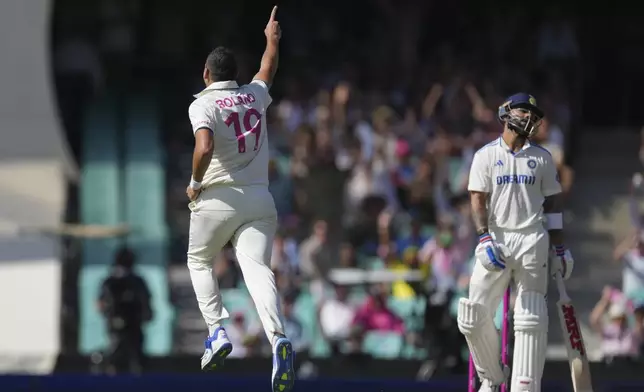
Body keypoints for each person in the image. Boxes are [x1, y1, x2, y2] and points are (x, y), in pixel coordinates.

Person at [184, 6, 294, 392]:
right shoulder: (253, 95)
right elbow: (268, 68)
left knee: (198, 260)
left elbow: (204, 146)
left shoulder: (203, 103)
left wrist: (195, 182)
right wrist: (272, 40)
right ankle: (279, 338)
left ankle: (216, 331)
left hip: (218, 198)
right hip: (260, 201)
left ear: (206, 73)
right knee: (258, 271)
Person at [456, 93, 574, 392]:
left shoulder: (542, 158)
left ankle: (525, 386)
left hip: (532, 238)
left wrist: (560, 248)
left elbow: (553, 205)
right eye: (524, 111)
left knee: (530, 316)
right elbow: (477, 199)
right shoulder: (485, 155)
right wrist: (483, 238)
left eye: (533, 114)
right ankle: (493, 378)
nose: (529, 118)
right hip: (497, 237)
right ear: (506, 112)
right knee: (471, 316)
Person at [97, 247, 152, 374]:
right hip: (124, 325)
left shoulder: (130, 282)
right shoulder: (113, 282)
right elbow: (102, 303)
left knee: (131, 357)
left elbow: (101, 304)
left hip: (131, 324)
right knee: (122, 355)